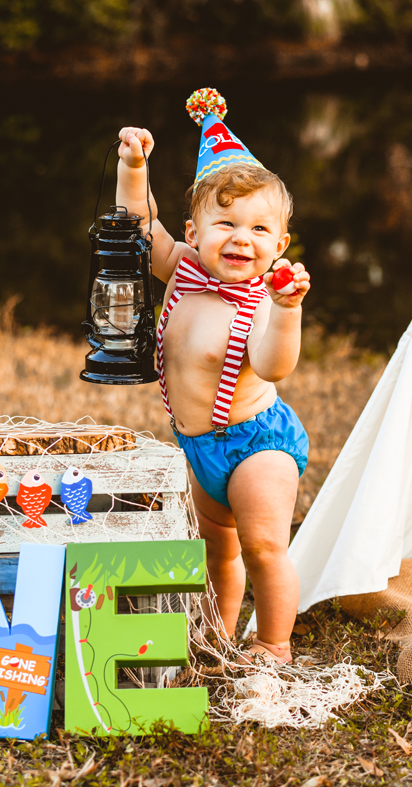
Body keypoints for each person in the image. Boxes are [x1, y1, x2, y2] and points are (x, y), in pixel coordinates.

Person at [113, 90, 310, 665]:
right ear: (194, 233)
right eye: (224, 223)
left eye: (258, 229)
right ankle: (220, 635)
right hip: (198, 446)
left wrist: (289, 311)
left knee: (264, 547)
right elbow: (139, 223)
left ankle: (274, 644)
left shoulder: (262, 299)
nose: (241, 238)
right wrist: (133, 166)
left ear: (279, 245)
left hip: (256, 443)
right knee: (216, 551)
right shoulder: (183, 269)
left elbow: (275, 365)